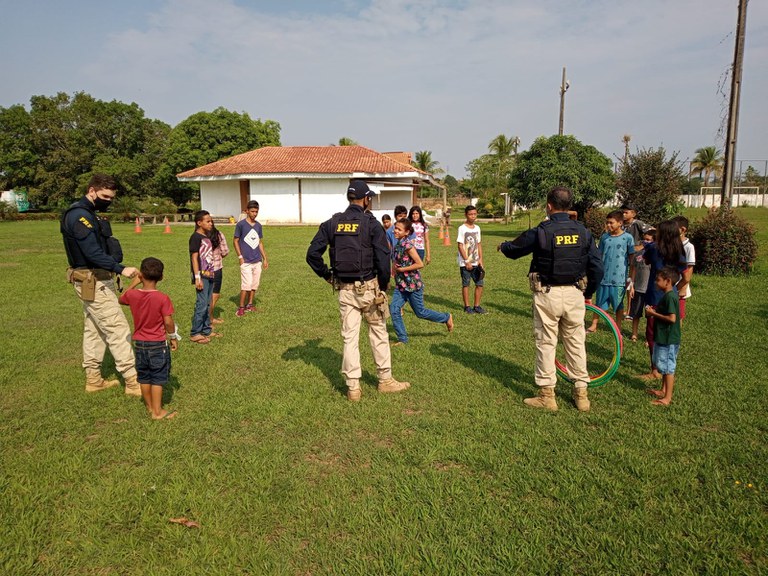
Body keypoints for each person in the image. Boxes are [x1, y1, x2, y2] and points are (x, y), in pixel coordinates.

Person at [497, 186, 603, 412]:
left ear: (549, 205)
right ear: (570, 206)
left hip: (547, 295)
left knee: (546, 343)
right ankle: (581, 395)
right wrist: (588, 293)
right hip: (575, 293)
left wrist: (502, 246)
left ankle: (547, 396)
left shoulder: (542, 231)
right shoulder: (583, 232)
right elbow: (597, 267)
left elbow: (515, 249)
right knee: (575, 342)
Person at [306, 179, 410, 401]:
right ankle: (385, 381)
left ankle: (353, 388)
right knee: (379, 333)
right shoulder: (371, 224)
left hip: (344, 288)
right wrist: (383, 286)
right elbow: (383, 258)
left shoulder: (332, 223)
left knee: (349, 338)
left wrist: (327, 275)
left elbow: (312, 254)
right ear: (365, 199)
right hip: (370, 287)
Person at [60, 173, 141, 396]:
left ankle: (93, 379)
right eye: (104, 196)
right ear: (92, 190)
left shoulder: (88, 214)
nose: (108, 200)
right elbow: (91, 252)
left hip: (94, 279)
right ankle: (133, 381)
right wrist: (121, 269)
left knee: (94, 329)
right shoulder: (79, 216)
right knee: (117, 328)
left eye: (111, 197)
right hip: (92, 280)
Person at [119, 257, 179, 419]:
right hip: (157, 344)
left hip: (139, 344)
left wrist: (135, 283)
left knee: (144, 376)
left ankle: (150, 407)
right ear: (161, 277)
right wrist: (173, 337)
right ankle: (158, 412)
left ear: (142, 275)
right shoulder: (162, 298)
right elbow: (168, 321)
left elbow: (121, 298)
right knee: (157, 377)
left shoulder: (132, 295)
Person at [389, 218, 453, 345]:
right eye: (395, 228)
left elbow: (420, 264)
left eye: (398, 229)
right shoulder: (397, 244)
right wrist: (393, 270)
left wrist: (402, 269)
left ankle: (446, 317)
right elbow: (396, 261)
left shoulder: (408, 246)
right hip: (401, 285)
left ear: (407, 232)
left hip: (413, 285)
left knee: (420, 313)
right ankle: (403, 339)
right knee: (394, 309)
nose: (395, 230)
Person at [641, 220, 686, 380]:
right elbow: (685, 275)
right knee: (667, 335)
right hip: (671, 293)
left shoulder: (654, 249)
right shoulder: (680, 251)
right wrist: (675, 290)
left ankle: (655, 370)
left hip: (654, 295)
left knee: (652, 333)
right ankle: (665, 367)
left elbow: (646, 260)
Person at [587, 210, 635, 333]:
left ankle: (617, 327)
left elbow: (631, 259)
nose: (608, 225)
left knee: (618, 305)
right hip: (604, 277)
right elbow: (600, 254)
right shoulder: (604, 237)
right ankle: (594, 324)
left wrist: (630, 278)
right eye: (607, 222)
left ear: (620, 223)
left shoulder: (628, 238)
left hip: (619, 279)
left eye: (611, 223)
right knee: (599, 302)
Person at [644, 266, 681, 406]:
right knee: (664, 366)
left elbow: (672, 318)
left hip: (669, 339)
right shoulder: (667, 296)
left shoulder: (671, 297)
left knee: (669, 368)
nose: (655, 282)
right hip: (663, 337)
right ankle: (663, 390)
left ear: (668, 281)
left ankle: (667, 398)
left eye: (658, 280)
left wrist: (653, 314)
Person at [234, 200, 268, 316]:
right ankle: (241, 307)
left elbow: (259, 242)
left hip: (256, 260)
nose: (254, 214)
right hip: (246, 261)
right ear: (247, 211)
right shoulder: (241, 225)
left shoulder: (258, 226)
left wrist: (264, 258)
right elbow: (235, 241)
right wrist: (240, 256)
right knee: (246, 284)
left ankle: (250, 304)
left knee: (254, 284)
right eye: (252, 211)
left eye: (256, 212)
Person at [189, 210, 216, 344]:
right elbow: (194, 258)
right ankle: (195, 332)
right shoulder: (195, 237)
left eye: (211, 221)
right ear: (199, 223)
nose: (211, 223)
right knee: (201, 304)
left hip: (210, 274)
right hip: (202, 276)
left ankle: (206, 330)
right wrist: (197, 277)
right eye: (208, 221)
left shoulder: (206, 236)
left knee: (207, 303)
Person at [457, 205, 486, 314]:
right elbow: (460, 246)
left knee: (479, 283)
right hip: (466, 262)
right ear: (466, 215)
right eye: (470, 214)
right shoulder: (462, 228)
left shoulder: (477, 228)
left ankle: (477, 306)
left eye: (474, 214)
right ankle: (467, 307)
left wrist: (481, 260)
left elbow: (479, 244)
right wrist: (466, 261)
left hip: (476, 261)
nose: (473, 216)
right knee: (466, 284)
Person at [628, 228, 655, 342]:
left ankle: (649, 337)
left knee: (651, 316)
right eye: (644, 239)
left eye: (648, 240)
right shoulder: (638, 254)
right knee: (636, 313)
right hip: (638, 288)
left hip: (650, 290)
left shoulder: (655, 255)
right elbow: (633, 270)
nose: (645, 242)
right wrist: (631, 286)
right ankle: (634, 333)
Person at [672, 215, 696, 326]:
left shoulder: (689, 247)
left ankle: (676, 337)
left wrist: (682, 287)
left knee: (678, 313)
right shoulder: (672, 244)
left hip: (680, 286)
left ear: (682, 230)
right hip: (669, 284)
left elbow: (689, 270)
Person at [209, 224, 230, 325]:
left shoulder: (197, 236)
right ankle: (209, 319)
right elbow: (225, 251)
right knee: (214, 295)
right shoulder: (218, 234)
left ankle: (209, 318)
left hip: (201, 270)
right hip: (216, 268)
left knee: (205, 296)